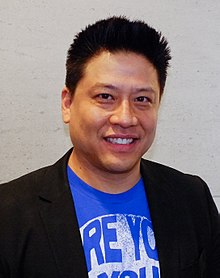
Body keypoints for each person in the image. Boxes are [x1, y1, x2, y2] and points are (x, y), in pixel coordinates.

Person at [0, 16, 219, 278]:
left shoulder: (191, 198)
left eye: (142, 99)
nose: (125, 118)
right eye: (105, 97)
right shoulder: (9, 214)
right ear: (67, 104)